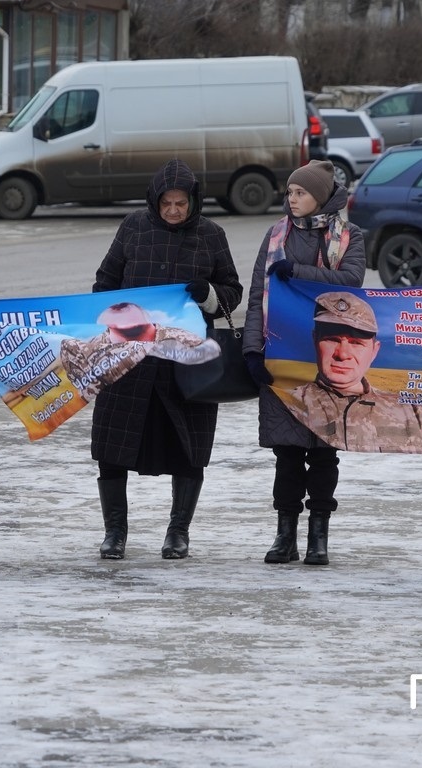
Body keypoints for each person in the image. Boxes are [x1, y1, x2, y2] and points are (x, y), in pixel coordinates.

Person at [89, 158, 242, 561]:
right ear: (154, 201)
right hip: (128, 360)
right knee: (112, 445)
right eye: (166, 203)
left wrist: (208, 293)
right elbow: (104, 283)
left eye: (181, 203)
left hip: (186, 363)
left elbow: (232, 290)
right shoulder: (133, 227)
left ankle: (178, 533)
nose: (174, 210)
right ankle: (115, 532)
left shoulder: (211, 235)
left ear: (194, 202)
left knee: (189, 449)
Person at [242, 159, 366, 566]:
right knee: (288, 452)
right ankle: (285, 535)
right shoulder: (275, 234)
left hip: (329, 358)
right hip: (283, 358)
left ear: (321, 196)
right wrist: (252, 349)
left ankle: (318, 536)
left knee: (325, 452)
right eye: (290, 193)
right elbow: (259, 294)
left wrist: (298, 270)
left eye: (300, 193)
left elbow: (351, 280)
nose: (291, 200)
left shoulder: (348, 236)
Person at [289, 291, 422, 453]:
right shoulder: (290, 403)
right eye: (332, 340)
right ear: (315, 340)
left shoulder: (409, 409)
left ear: (374, 351)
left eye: (356, 343)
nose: (342, 354)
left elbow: (420, 469)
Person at [60, 302, 206, 403]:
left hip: (180, 403)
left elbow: (227, 295)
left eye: (125, 305)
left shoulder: (188, 339)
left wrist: (208, 295)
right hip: (120, 408)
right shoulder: (80, 352)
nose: (121, 306)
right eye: (117, 306)